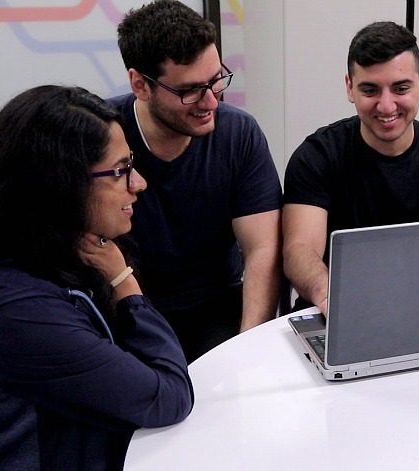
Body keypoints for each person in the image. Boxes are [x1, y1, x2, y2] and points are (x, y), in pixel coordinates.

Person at [0, 85, 193, 470]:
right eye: (121, 171)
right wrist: (124, 281)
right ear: (62, 185)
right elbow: (168, 397)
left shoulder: (36, 251)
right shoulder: (23, 317)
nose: (138, 183)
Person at [109, 0, 283, 362]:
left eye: (216, 80)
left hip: (218, 305)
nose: (212, 102)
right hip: (125, 307)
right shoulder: (100, 136)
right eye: (190, 91)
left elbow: (262, 250)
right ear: (140, 84)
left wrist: (249, 349)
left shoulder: (239, 134)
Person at [283, 21, 419, 314]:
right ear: (350, 87)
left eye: (401, 88)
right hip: (333, 311)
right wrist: (329, 295)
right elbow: (300, 251)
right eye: (370, 90)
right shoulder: (317, 156)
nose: (387, 106)